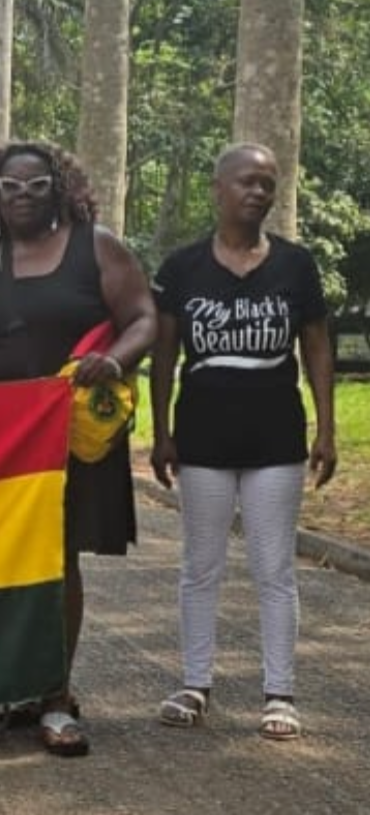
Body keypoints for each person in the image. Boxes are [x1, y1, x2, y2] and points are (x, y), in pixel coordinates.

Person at [0, 140, 156, 756]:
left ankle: (55, 697)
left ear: (59, 188)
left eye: (37, 185)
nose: (23, 196)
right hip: (3, 441)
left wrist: (114, 361)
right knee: (6, 561)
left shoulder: (96, 246)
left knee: (59, 559)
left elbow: (144, 318)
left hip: (71, 434)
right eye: (10, 187)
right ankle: (14, 687)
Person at [149, 143, 336, 742]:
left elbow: (316, 346)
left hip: (276, 438)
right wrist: (161, 433)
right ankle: (194, 684)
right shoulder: (182, 268)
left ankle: (279, 693)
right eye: (247, 181)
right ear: (218, 189)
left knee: (273, 567)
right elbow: (164, 353)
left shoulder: (295, 265)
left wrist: (327, 428)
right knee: (200, 566)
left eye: (268, 183)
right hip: (202, 437)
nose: (258, 192)